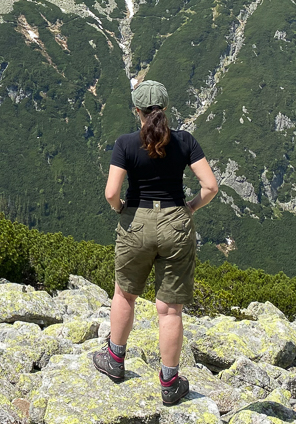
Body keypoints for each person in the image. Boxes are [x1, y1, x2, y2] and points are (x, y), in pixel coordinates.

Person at [92, 80, 219, 406]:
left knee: (125, 293)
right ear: (165, 108)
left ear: (137, 111)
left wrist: (123, 210)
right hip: (176, 223)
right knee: (170, 310)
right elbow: (210, 186)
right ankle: (169, 383)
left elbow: (111, 193)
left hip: (136, 222)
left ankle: (115, 361)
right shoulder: (185, 142)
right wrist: (189, 208)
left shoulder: (125, 144)